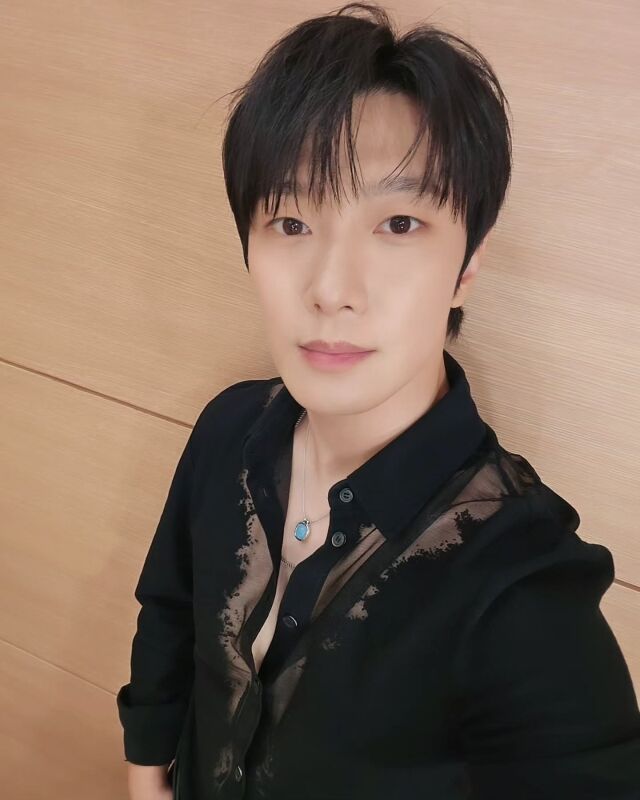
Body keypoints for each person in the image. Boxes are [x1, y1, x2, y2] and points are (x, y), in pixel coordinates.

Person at [116, 3, 640, 798]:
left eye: (398, 223)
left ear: (468, 265)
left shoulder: (524, 591)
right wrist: (144, 770)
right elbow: (170, 608)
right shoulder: (229, 428)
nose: (331, 289)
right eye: (291, 221)